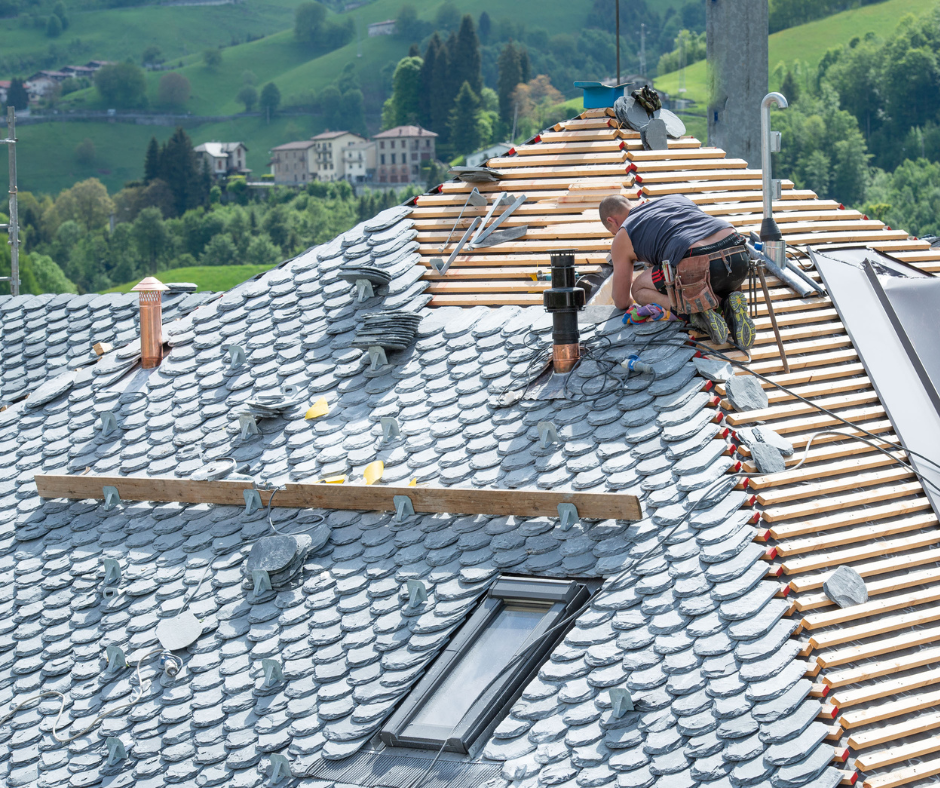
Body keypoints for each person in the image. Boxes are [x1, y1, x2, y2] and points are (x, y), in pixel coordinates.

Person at [599, 193, 755, 348]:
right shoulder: (675, 198)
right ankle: (727, 302)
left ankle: (693, 312)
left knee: (639, 288)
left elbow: (620, 300)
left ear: (611, 221)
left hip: (698, 262)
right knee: (694, 274)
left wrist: (637, 302)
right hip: (738, 255)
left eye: (613, 231)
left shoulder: (624, 233)